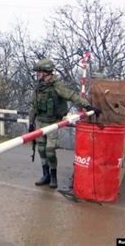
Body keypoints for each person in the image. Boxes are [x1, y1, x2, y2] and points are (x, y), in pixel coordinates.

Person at [29, 59, 97, 189]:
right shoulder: (38, 86)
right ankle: (46, 175)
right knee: (41, 150)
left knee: (50, 150)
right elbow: (33, 105)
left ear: (46, 72)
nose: (37, 74)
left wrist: (87, 106)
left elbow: (72, 96)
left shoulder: (57, 86)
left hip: (52, 123)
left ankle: (53, 177)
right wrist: (31, 122)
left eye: (39, 72)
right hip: (40, 122)